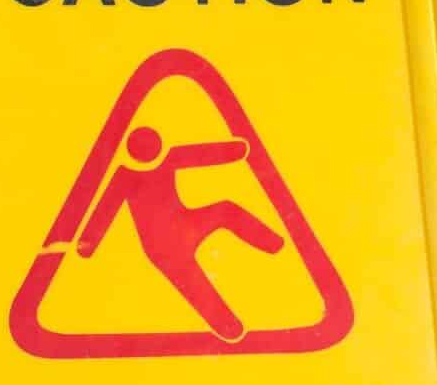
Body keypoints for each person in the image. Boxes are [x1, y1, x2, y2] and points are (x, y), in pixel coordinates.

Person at [75, 126, 285, 343]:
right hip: (164, 248)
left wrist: (237, 150)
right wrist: (87, 246)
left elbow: (203, 154)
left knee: (225, 210)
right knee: (195, 284)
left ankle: (274, 244)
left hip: (185, 225)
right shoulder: (125, 177)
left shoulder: (165, 160)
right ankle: (228, 326)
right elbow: (103, 213)